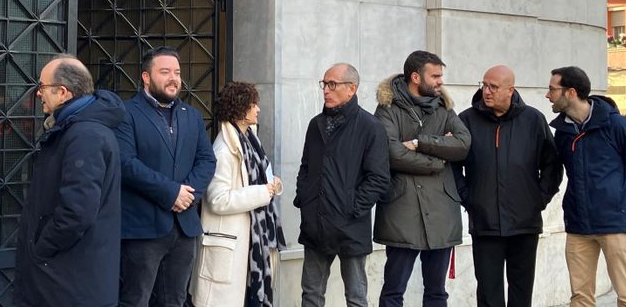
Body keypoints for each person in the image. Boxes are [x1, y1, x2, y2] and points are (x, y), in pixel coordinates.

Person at [15, 55, 125, 306]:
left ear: (63, 92)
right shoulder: (74, 128)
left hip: (69, 282)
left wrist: (41, 248)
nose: (39, 94)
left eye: (42, 87)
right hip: (68, 278)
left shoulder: (84, 134)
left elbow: (77, 211)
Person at [115, 46, 216, 307]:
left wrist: (187, 194)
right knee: (135, 300)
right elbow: (126, 163)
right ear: (146, 77)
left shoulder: (192, 116)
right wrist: (171, 193)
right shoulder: (126, 113)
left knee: (175, 300)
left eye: (177, 72)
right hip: (142, 228)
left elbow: (206, 160)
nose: (173, 78)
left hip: (184, 228)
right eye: (165, 72)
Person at [457, 65, 563, 307]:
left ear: (510, 90)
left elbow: (552, 166)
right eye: (484, 85)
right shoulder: (466, 120)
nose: (487, 91)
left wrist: (538, 199)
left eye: (493, 87)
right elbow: (453, 167)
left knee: (521, 293)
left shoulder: (534, 120)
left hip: (525, 225)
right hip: (485, 225)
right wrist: (469, 198)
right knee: (488, 295)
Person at [546, 66, 626, 307]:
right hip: (578, 224)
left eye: (552, 89)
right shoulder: (562, 132)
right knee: (580, 297)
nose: (548, 94)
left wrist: (617, 197)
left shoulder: (619, 126)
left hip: (615, 223)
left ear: (570, 92)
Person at [374, 50, 471, 307]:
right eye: (435, 75)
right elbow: (391, 154)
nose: (441, 81)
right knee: (394, 290)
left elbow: (463, 144)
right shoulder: (387, 108)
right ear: (415, 77)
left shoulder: (445, 108)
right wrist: (438, 159)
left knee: (437, 292)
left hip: (442, 212)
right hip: (401, 212)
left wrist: (419, 143)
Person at [295, 63, 390, 307]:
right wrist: (305, 199)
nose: (326, 90)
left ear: (351, 89)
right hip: (315, 224)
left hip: (350, 228)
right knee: (311, 296)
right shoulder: (315, 125)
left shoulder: (371, 127)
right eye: (324, 84)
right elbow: (306, 168)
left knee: (356, 298)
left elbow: (378, 178)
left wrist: (351, 208)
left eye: (332, 84)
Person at [191, 82, 286, 307]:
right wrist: (263, 192)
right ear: (241, 110)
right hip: (231, 248)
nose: (258, 109)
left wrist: (272, 184)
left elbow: (259, 175)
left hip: (250, 244)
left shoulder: (249, 141)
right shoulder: (224, 150)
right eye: (253, 104)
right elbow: (217, 200)